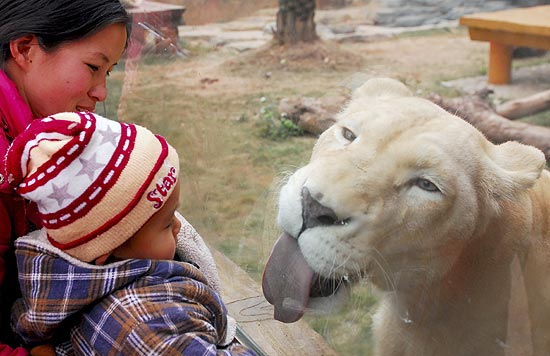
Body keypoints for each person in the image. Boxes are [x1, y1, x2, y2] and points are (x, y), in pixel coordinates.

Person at [5, 111, 255, 355]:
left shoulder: (74, 290)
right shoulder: (146, 324)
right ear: (105, 250)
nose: (179, 227)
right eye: (167, 224)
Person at [0, 1, 132, 352]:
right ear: (26, 50)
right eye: (93, 67)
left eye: (109, 72)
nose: (101, 92)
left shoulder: (34, 143)